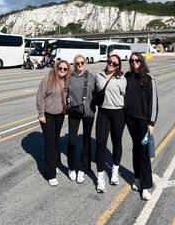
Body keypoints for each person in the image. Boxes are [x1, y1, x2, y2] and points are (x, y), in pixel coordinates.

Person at [124, 53, 158, 201]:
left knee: (143, 151)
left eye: (137, 60)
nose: (134, 62)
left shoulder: (149, 79)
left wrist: (151, 123)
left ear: (141, 61)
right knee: (135, 149)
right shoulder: (127, 76)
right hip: (130, 119)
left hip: (143, 121)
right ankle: (137, 177)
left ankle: (146, 186)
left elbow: (154, 102)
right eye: (132, 61)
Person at [94, 54, 127, 193]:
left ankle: (114, 172)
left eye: (115, 63)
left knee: (116, 142)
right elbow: (94, 92)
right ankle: (100, 178)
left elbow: (127, 96)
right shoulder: (98, 75)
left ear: (118, 65)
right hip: (103, 113)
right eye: (110, 61)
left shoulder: (122, 78)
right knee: (100, 144)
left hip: (118, 113)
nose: (111, 64)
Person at [36, 60, 71, 186]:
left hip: (59, 115)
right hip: (48, 115)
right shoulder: (47, 80)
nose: (62, 70)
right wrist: (41, 114)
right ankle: (50, 173)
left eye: (65, 69)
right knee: (50, 143)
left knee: (56, 140)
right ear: (56, 68)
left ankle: (54, 163)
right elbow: (40, 97)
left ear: (68, 71)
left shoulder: (66, 81)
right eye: (60, 68)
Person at [66, 55, 96, 184]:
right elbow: (63, 93)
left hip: (88, 113)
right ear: (73, 64)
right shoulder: (69, 77)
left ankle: (83, 168)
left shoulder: (91, 77)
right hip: (74, 112)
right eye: (77, 63)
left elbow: (98, 93)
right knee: (72, 141)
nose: (80, 65)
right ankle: (72, 167)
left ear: (85, 63)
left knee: (86, 141)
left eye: (82, 62)